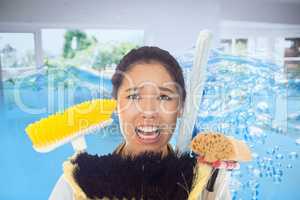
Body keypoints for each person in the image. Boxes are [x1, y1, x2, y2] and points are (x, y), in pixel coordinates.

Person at [49, 46, 231, 200]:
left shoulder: (209, 185)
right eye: (134, 96)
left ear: (181, 106)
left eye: (164, 96)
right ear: (116, 103)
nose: (149, 112)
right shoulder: (73, 186)